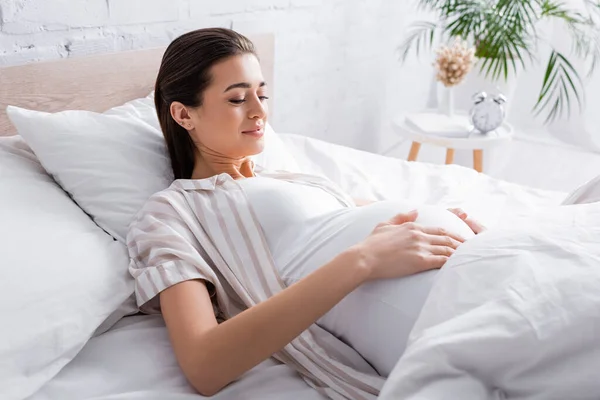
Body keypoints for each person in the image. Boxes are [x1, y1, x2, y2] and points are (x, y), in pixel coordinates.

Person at [126, 28, 486, 399]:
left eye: (262, 94)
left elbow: (361, 221)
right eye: (237, 99)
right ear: (184, 114)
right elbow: (204, 364)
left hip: (472, 265)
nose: (259, 110)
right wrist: (363, 259)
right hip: (434, 315)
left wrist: (462, 227)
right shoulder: (171, 214)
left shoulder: (290, 176)